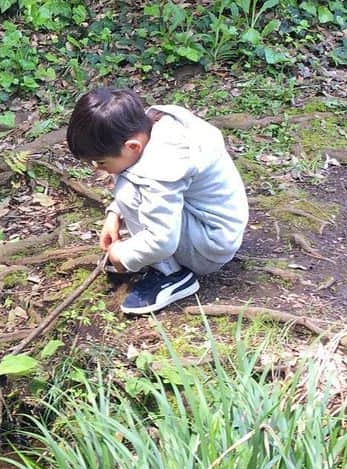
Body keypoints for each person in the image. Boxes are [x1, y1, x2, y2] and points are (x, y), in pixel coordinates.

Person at [66, 87, 248, 315]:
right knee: (128, 182)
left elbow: (162, 240)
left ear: (133, 146)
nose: (97, 168)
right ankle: (159, 261)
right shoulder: (161, 127)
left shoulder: (162, 168)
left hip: (209, 246)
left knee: (128, 190)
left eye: (101, 162)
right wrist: (114, 214)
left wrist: (122, 255)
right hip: (219, 227)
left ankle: (170, 275)